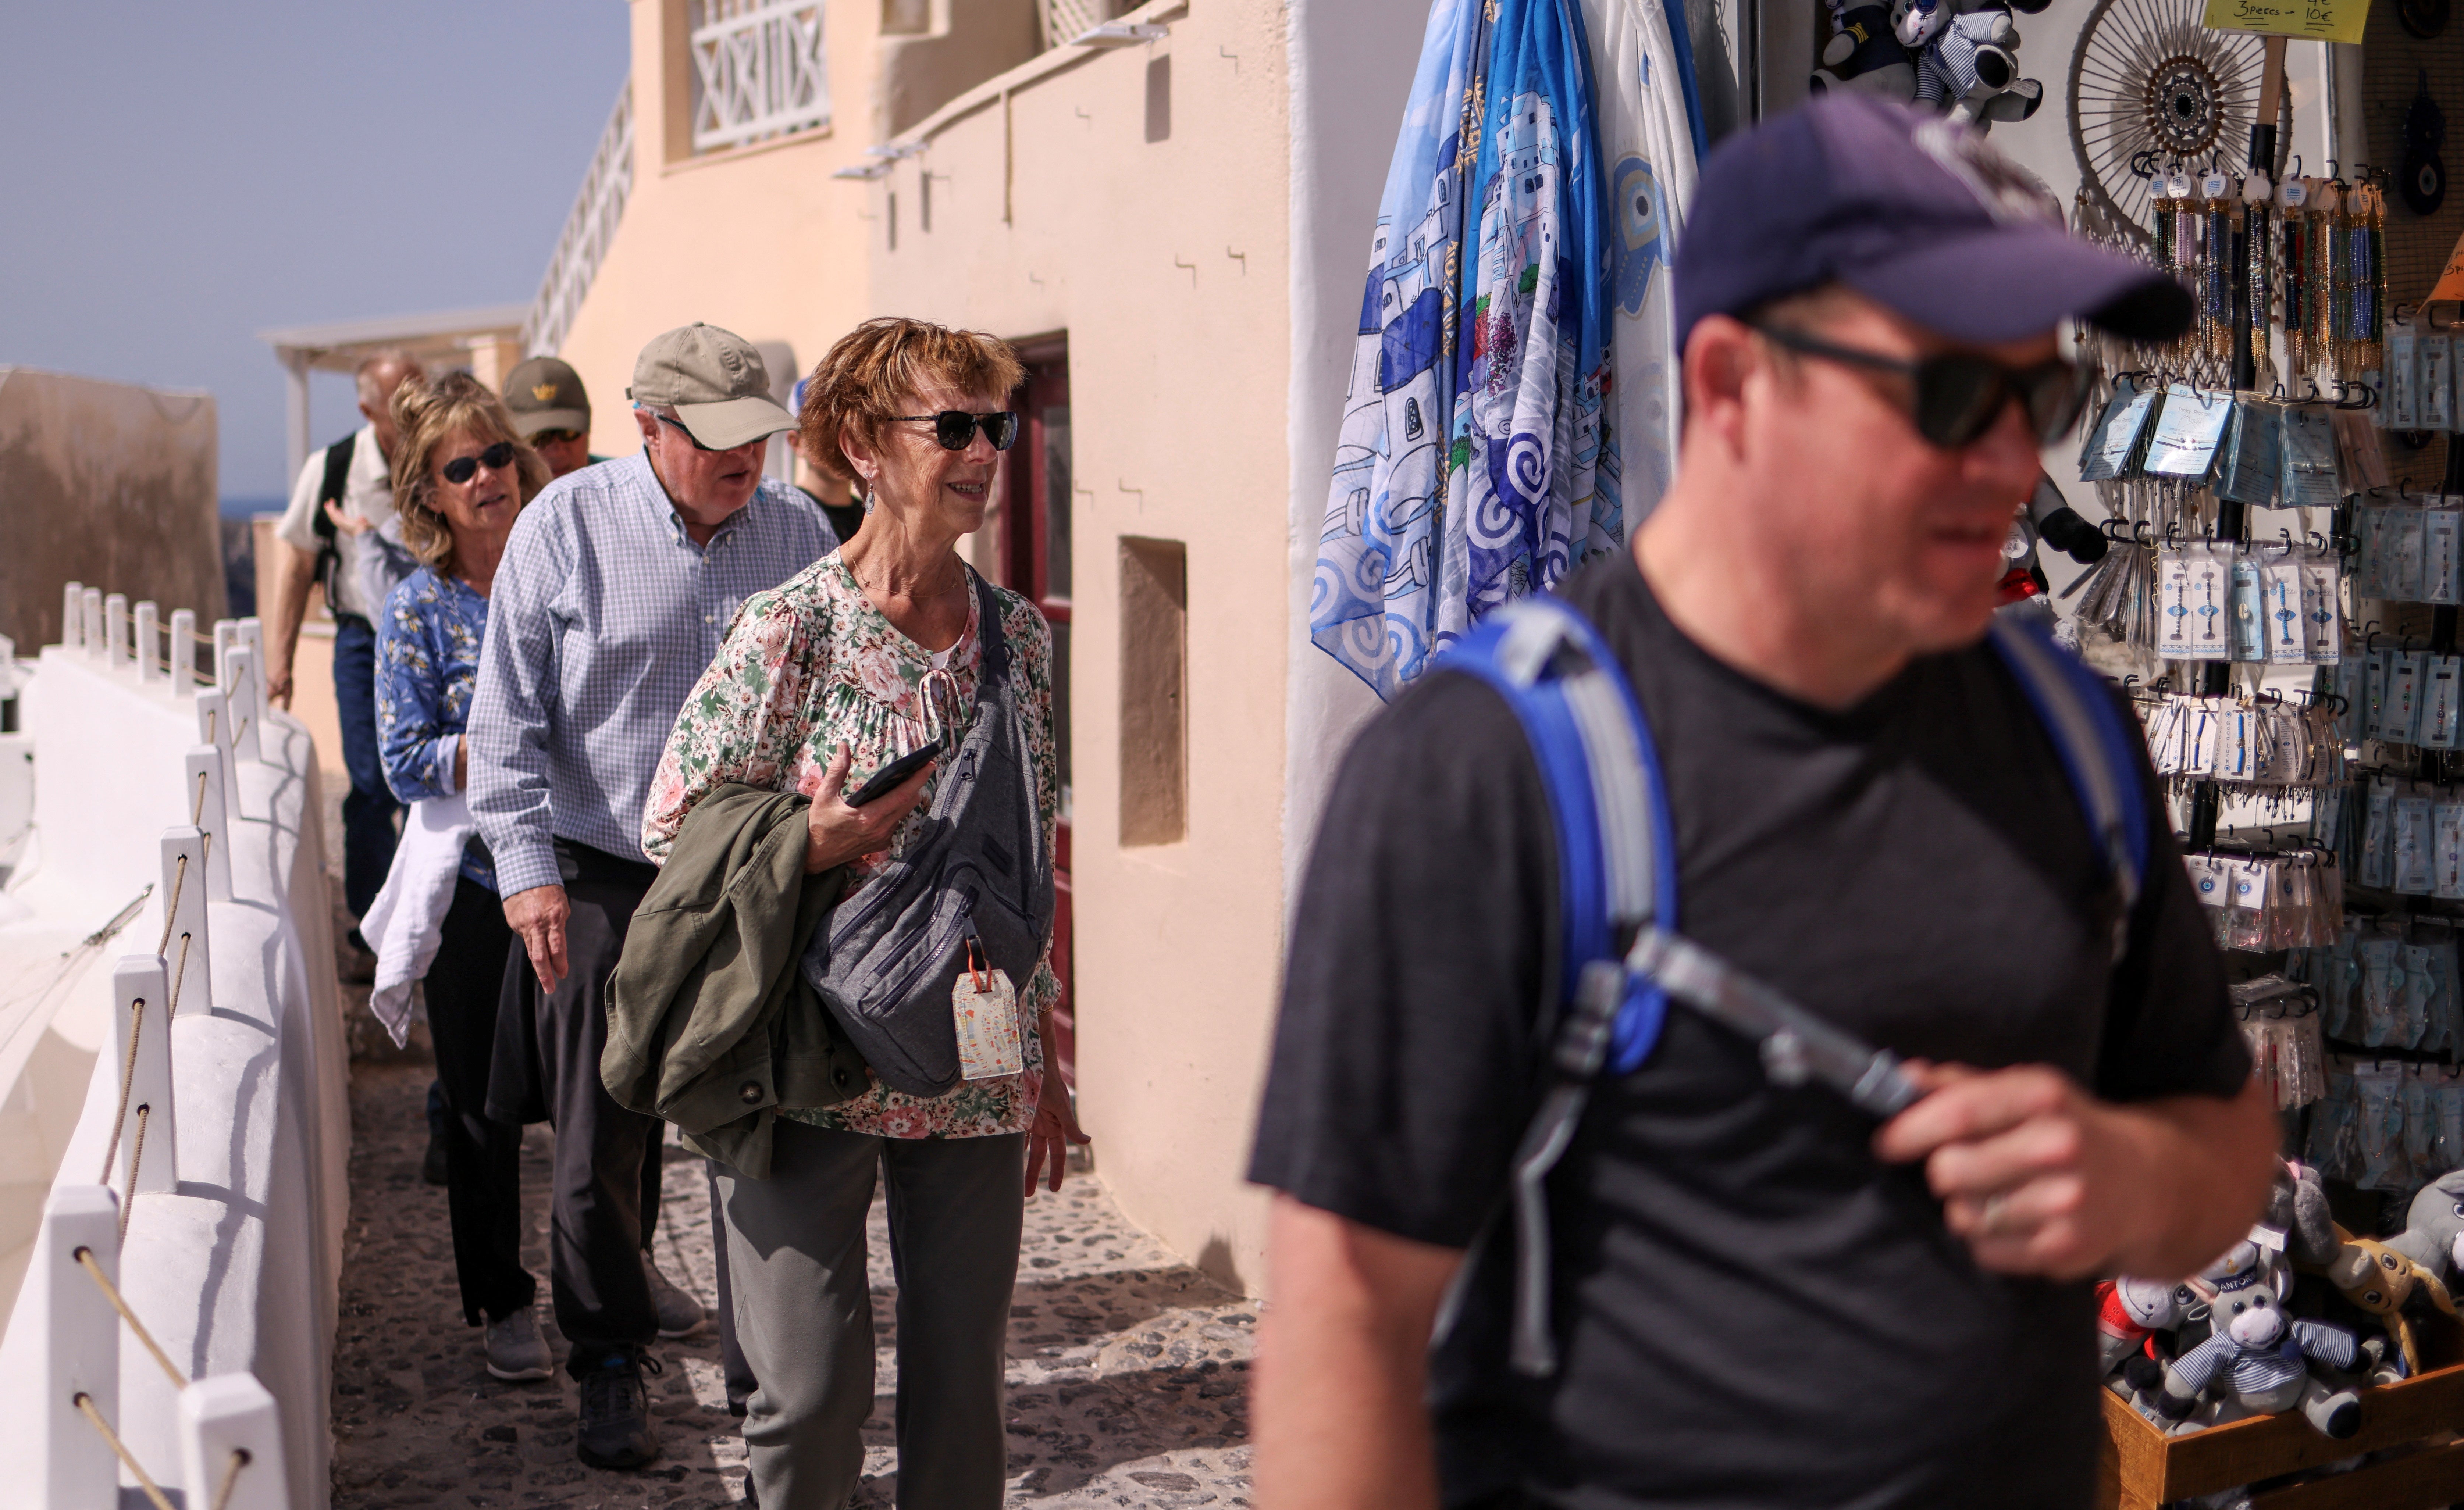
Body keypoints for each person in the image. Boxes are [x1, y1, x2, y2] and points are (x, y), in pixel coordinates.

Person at [1247, 100, 2273, 1510]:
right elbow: (1345, 1322)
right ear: (1730, 384)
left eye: (2041, 400)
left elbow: (2221, 1139)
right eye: (1946, 397)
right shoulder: (1487, 775)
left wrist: (2126, 1176)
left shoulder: (2072, 736)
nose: (2008, 464)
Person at [641, 316, 1077, 1510]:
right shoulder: (793, 627)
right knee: (808, 1396)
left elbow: (1023, 858)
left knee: (964, 1384)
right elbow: (672, 823)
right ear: (862, 447)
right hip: (807, 1054)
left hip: (974, 1055)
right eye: (954, 427)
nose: (982, 451)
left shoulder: (1017, 636)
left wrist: (1039, 1051)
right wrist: (811, 841)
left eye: (996, 426)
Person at [468, 322, 835, 1470]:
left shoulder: (799, 531)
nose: (745, 458)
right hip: (600, 870)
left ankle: (765, 1375)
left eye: (757, 436)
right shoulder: (564, 526)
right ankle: (611, 1359)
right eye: (717, 438)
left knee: (759, 1128)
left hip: (754, 873)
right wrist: (527, 876)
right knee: (598, 1140)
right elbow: (504, 718)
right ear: (649, 428)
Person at [373, 373, 557, 1384]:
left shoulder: (562, 572)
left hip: (576, 869)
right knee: (484, 1111)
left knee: (609, 1089)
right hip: (479, 892)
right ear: (431, 496)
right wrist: (504, 747)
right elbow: (403, 760)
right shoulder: (416, 609)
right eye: (461, 468)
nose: (487, 477)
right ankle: (503, 1299)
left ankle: (619, 1275)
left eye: (496, 456)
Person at [268, 349, 424, 970]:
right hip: (362, 641)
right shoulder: (333, 468)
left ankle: (426, 922)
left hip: (431, 641)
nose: (416, 409)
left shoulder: (442, 457)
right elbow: (298, 566)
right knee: (369, 785)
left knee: (430, 786)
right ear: (367, 408)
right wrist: (279, 661)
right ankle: (371, 931)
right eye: (401, 400)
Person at [784, 376, 865, 540]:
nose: (842, 443)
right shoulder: (785, 516)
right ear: (797, 443)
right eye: (826, 432)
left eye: (851, 429)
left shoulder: (873, 518)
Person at [502, 353, 600, 478]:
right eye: (538, 437)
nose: (556, 452)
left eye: (568, 433)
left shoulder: (620, 483)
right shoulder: (498, 489)